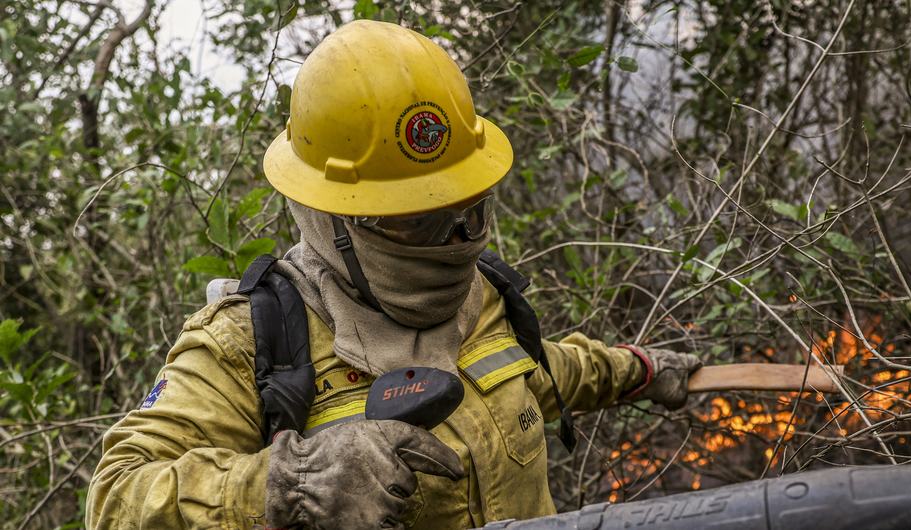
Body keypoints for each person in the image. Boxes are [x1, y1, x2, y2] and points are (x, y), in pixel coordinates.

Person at [86, 20, 702, 530]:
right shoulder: (248, 342)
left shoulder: (480, 298)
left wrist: (642, 369)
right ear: (333, 220)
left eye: (466, 212)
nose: (453, 243)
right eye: (416, 223)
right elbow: (115, 497)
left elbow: (540, 370)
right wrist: (287, 483)